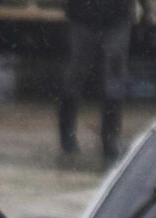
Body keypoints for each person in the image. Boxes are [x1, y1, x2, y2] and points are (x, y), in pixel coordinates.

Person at [59, 0, 149, 163]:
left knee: (113, 78)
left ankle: (109, 138)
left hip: (115, 17)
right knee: (77, 74)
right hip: (85, 16)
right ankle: (68, 134)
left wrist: (145, 10)